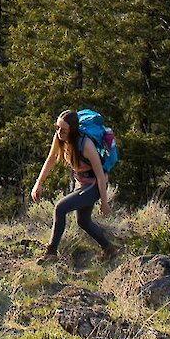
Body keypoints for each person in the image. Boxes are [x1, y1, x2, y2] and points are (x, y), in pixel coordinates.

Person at [29, 110, 117, 264]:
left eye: (63, 129)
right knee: (83, 221)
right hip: (82, 183)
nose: (59, 132)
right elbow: (51, 160)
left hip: (94, 185)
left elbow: (101, 176)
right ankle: (109, 249)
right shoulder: (59, 138)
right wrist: (39, 183)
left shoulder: (86, 144)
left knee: (60, 208)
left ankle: (51, 253)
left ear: (73, 130)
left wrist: (104, 202)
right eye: (57, 128)